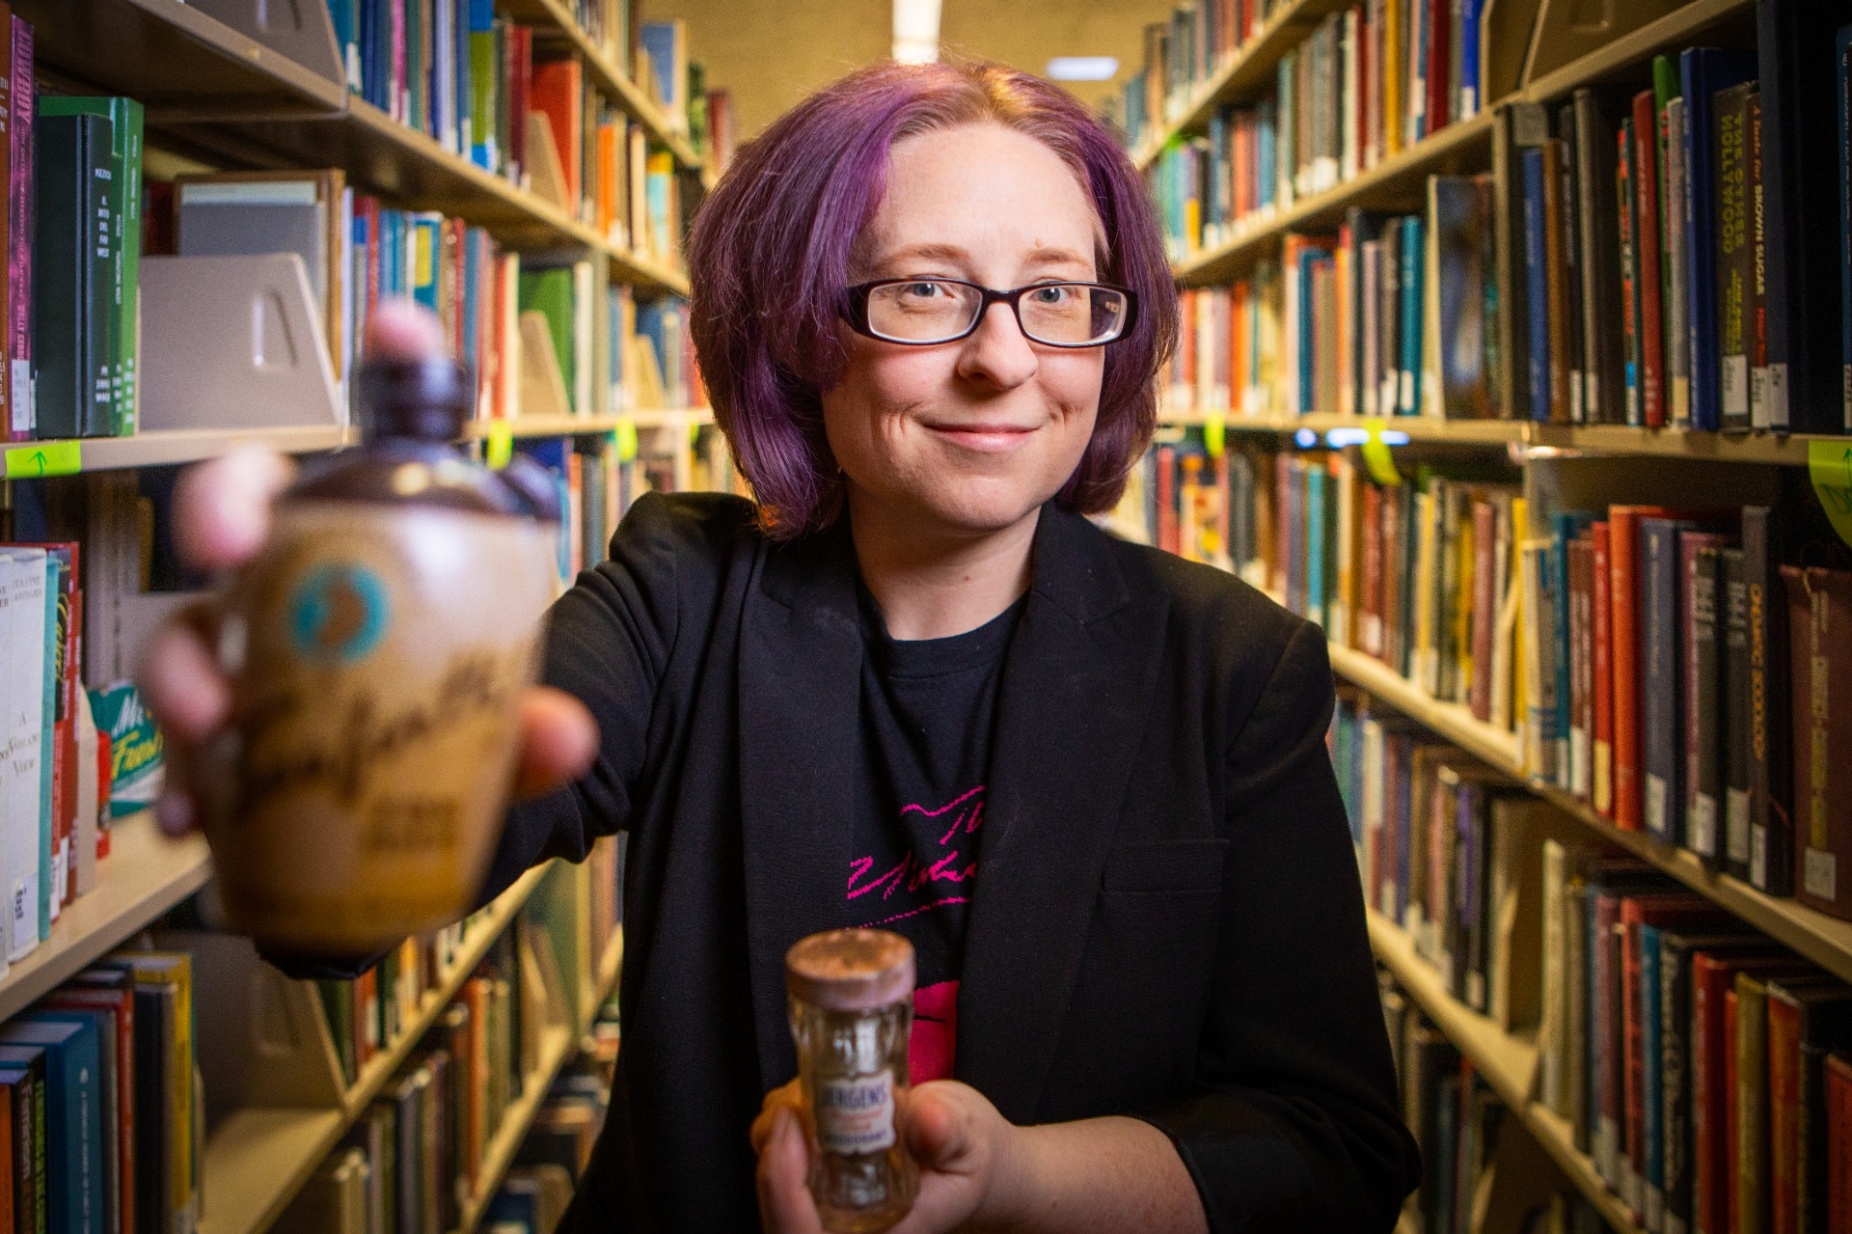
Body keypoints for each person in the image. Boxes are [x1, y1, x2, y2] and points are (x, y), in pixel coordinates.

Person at [144, 60, 1421, 1233]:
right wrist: (319, 758)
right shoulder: (678, 595)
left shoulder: (1231, 669)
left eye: (1054, 293)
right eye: (925, 288)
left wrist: (1020, 1183)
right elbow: (350, 896)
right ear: (804, 334)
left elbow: (1331, 1149)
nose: (1001, 358)